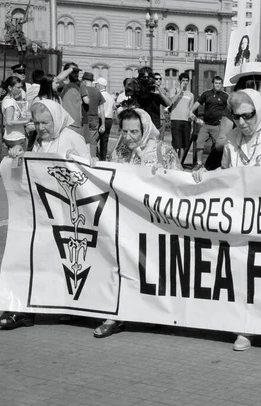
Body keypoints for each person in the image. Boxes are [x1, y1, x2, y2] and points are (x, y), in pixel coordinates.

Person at [192, 89, 261, 350]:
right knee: (243, 273)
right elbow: (227, 174)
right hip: (241, 219)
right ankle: (246, 328)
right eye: (236, 117)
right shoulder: (231, 141)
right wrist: (206, 174)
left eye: (247, 116)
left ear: (258, 112)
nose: (241, 122)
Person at [0, 100, 90, 330]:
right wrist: (19, 155)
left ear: (56, 119)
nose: (40, 127)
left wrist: (75, 161)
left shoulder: (71, 138)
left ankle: (58, 308)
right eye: (36, 122)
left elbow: (89, 174)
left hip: (67, 215)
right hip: (43, 212)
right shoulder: (38, 139)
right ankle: (22, 309)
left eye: (45, 122)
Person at [93, 108, 182, 339]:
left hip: (156, 224)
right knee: (122, 266)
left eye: (134, 131)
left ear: (144, 128)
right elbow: (110, 178)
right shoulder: (120, 150)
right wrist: (94, 165)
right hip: (127, 222)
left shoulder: (163, 149)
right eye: (125, 131)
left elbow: (180, 184)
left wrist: (161, 176)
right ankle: (115, 315)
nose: (129, 136)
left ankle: (155, 312)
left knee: (154, 269)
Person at [190, 75, 229, 170]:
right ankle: (199, 163)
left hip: (217, 126)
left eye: (219, 83)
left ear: (222, 85)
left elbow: (229, 108)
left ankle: (216, 165)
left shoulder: (225, 96)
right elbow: (198, 103)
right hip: (206, 125)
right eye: (216, 83)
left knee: (218, 147)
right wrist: (191, 111)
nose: (218, 85)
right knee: (199, 142)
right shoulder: (206, 94)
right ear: (213, 84)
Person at [168, 72, 194, 166]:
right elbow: (171, 101)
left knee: (184, 144)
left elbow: (190, 109)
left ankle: (180, 163)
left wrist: (192, 117)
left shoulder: (190, 95)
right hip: (175, 119)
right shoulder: (173, 90)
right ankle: (173, 162)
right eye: (183, 80)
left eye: (187, 81)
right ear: (179, 81)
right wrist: (180, 91)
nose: (185, 82)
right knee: (176, 144)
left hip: (186, 121)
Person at [58, 62, 89, 136]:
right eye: (73, 71)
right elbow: (58, 78)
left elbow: (86, 100)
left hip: (77, 124)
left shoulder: (79, 85)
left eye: (77, 71)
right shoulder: (62, 84)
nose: (76, 73)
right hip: (65, 125)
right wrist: (70, 70)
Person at [0, 76, 30, 149]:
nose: (20, 90)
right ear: (10, 87)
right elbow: (9, 121)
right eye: (18, 88)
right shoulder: (9, 101)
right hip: (15, 138)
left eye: (21, 87)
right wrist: (26, 121)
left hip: (15, 136)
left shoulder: (11, 100)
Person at [82, 72, 106, 157]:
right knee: (93, 143)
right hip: (95, 119)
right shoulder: (97, 91)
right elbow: (102, 110)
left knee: (81, 141)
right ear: (91, 81)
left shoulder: (82, 89)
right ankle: (92, 159)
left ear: (84, 81)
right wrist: (103, 124)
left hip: (83, 118)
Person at [95, 78, 115, 161]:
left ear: (99, 85)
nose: (95, 86)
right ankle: (103, 159)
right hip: (109, 120)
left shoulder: (99, 95)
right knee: (104, 141)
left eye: (96, 84)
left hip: (101, 119)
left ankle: (96, 156)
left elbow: (99, 109)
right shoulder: (110, 96)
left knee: (94, 140)